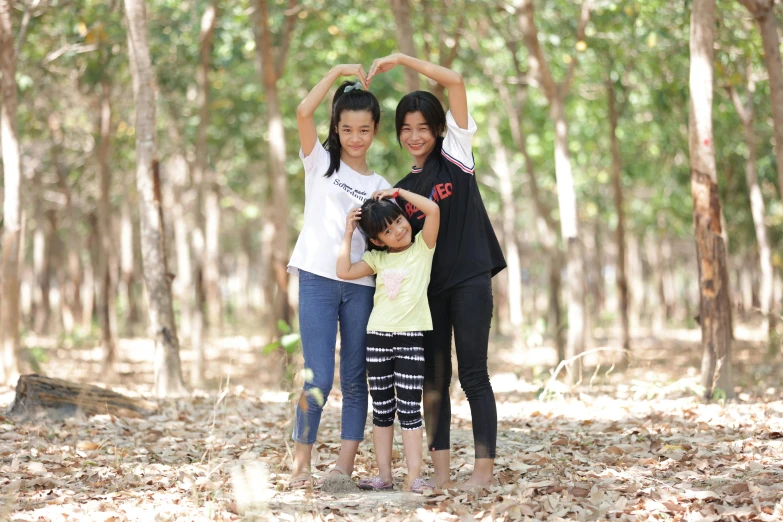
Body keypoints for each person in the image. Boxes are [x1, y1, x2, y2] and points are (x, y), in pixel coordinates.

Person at [366, 54, 507, 489]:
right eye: (405, 128)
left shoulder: (456, 157)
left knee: (474, 375)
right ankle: (441, 475)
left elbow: (457, 80)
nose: (414, 136)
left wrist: (401, 59)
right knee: (434, 380)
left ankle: (482, 473)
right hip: (428, 295)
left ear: (439, 129)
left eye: (422, 127)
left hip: (470, 280)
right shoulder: (399, 194)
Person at [287, 65, 391, 489]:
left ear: (375, 131)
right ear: (337, 127)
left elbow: (386, 244)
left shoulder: (381, 186)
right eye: (346, 128)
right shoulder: (321, 163)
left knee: (354, 376)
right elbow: (301, 111)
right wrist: (335, 72)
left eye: (364, 129)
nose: (355, 137)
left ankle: (343, 468)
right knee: (318, 377)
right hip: (316, 276)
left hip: (361, 286)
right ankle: (300, 464)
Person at [336, 186, 439, 493]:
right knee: (382, 409)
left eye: (398, 221)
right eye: (387, 231)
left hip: (410, 338)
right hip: (378, 338)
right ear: (377, 240)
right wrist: (347, 232)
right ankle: (384, 476)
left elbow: (433, 211)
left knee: (409, 409)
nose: (398, 230)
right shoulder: (376, 259)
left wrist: (400, 192)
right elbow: (344, 270)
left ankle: (414, 476)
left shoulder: (423, 246)